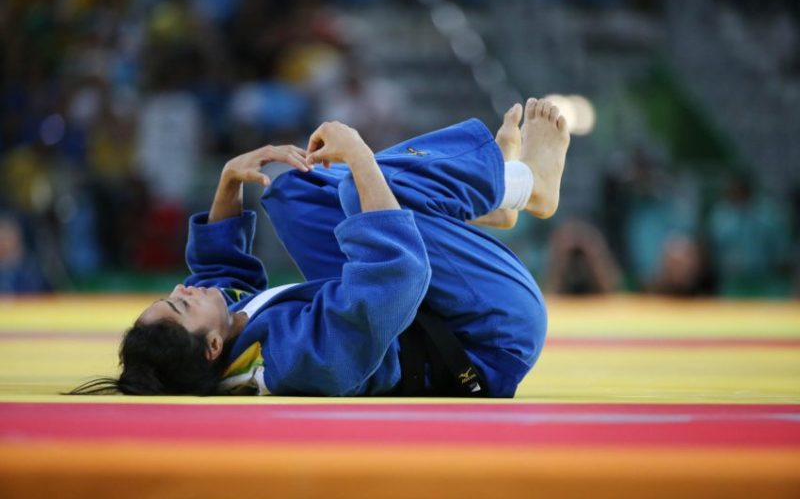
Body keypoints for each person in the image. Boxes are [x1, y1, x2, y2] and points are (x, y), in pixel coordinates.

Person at [72, 98, 570, 397]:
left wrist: (228, 182)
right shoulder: (294, 362)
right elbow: (396, 276)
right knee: (357, 188)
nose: (184, 287)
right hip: (488, 335)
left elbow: (221, 279)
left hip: (438, 308)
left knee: (291, 191)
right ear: (212, 347)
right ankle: (525, 185)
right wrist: (358, 152)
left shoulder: (229, 344)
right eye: (181, 303)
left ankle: (493, 193)